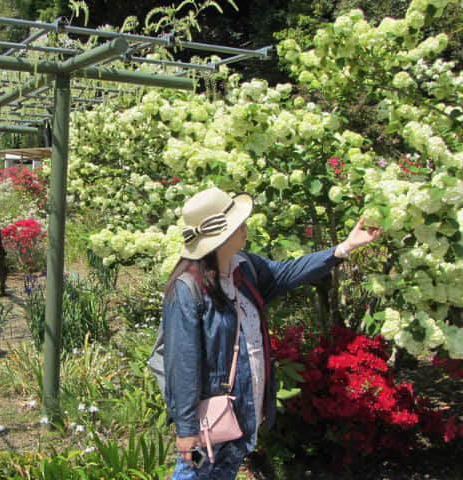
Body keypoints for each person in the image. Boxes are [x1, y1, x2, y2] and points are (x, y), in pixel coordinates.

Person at [162, 187, 382, 479]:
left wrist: (343, 249)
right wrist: (186, 429)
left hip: (240, 411)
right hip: (210, 419)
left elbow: (288, 273)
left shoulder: (245, 268)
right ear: (220, 238)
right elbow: (182, 365)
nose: (245, 227)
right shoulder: (187, 290)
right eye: (239, 223)